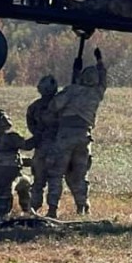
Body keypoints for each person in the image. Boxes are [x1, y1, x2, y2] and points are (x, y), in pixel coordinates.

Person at [45, 48, 107, 218]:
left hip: (66, 135)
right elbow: (103, 80)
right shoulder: (97, 93)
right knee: (79, 175)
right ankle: (82, 207)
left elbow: (55, 106)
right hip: (84, 138)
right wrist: (100, 61)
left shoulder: (72, 91)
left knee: (57, 172)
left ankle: (52, 209)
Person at [25, 74, 59, 212]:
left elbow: (30, 124)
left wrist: (38, 135)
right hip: (57, 147)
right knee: (54, 179)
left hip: (40, 146)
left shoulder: (34, 107)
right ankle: (52, 209)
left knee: (38, 180)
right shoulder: (61, 104)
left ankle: (34, 208)